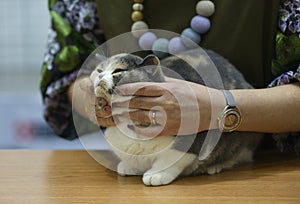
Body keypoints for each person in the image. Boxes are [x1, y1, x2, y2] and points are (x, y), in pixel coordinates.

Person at [40, 0, 300, 154]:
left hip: (267, 173)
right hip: (140, 172)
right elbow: (67, 76)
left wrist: (216, 108)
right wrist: (90, 97)